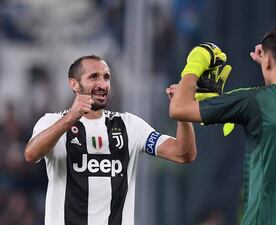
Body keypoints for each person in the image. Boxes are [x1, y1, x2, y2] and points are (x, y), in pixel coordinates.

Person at [168, 26, 276, 225]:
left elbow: (178, 108)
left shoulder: (257, 101)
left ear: (267, 60)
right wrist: (269, 62)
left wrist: (196, 63)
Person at [24, 55, 197, 225]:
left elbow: (183, 153)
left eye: (106, 77)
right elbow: (31, 154)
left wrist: (181, 112)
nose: (102, 84)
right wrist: (70, 118)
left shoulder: (130, 126)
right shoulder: (52, 122)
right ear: (74, 84)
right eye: (94, 77)